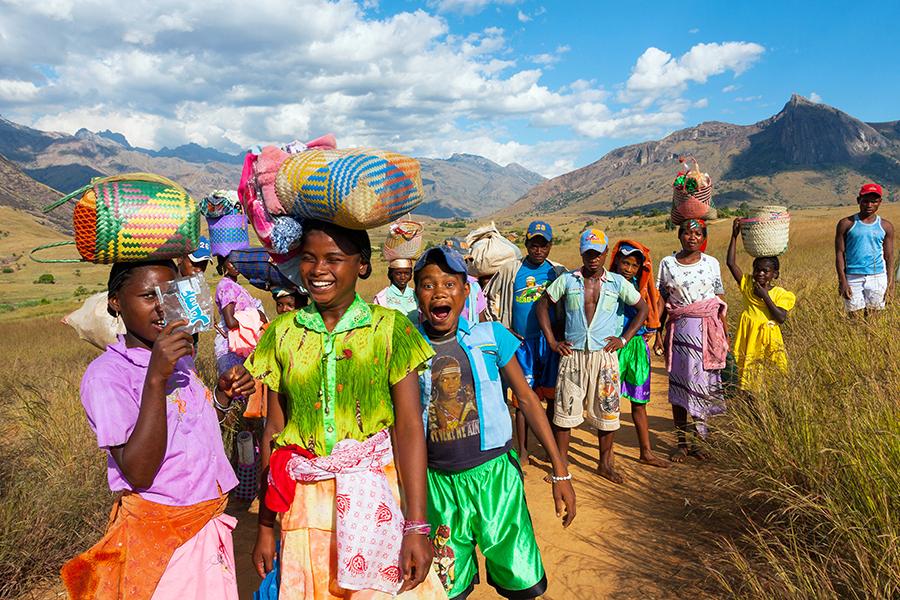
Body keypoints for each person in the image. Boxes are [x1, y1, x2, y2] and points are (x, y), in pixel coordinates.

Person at [246, 220, 446, 599]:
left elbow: (407, 428)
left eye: (333, 259)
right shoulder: (282, 333)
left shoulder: (389, 328)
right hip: (305, 509)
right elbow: (274, 430)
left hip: (376, 499)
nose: (318, 270)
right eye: (308, 258)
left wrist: (417, 526)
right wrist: (265, 527)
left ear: (362, 265)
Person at [61, 259, 256, 599]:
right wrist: (155, 377)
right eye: (148, 296)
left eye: (170, 294)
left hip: (204, 525)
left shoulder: (181, 361)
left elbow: (192, 434)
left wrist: (223, 396)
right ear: (116, 301)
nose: (162, 307)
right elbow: (138, 471)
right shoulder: (108, 376)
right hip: (165, 539)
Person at [413, 245, 575, 599]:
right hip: (438, 485)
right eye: (428, 285)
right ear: (416, 294)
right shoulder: (408, 346)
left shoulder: (491, 337)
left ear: (466, 291)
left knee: (520, 580)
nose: (439, 292)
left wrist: (560, 472)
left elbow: (529, 401)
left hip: (495, 479)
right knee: (448, 585)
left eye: (449, 284)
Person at [536, 229, 648, 484]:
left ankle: (605, 464)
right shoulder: (568, 280)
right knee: (565, 413)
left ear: (606, 254)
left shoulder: (617, 283)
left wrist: (625, 338)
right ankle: (561, 466)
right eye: (588, 253)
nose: (593, 258)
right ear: (581, 252)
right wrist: (552, 341)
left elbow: (642, 307)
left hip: (604, 355)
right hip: (573, 355)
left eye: (597, 253)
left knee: (606, 412)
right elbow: (543, 304)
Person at [483, 221, 567, 463]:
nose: (538, 249)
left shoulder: (558, 271)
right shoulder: (512, 269)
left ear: (550, 246)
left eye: (543, 245)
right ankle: (523, 450)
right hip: (521, 343)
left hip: (548, 341)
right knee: (522, 397)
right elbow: (490, 296)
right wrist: (503, 327)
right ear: (526, 244)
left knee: (551, 395)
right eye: (533, 244)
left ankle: (550, 446)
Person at [654, 219, 728, 462]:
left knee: (701, 387)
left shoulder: (711, 263)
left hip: (707, 331)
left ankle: (700, 441)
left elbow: (718, 301)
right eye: (687, 233)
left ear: (703, 237)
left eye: (697, 233)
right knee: (679, 387)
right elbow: (662, 299)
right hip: (679, 331)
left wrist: (724, 335)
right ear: (679, 236)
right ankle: (682, 443)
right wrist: (657, 331)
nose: (692, 237)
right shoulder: (667, 263)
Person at [609, 240, 669, 468]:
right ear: (617, 262)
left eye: (634, 265)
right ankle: (608, 455)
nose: (629, 269)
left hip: (635, 346)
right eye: (625, 263)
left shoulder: (640, 284)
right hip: (613, 346)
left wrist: (653, 328)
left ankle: (646, 451)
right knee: (609, 401)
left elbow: (656, 302)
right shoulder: (607, 283)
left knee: (639, 401)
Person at [726, 219, 796, 395]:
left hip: (770, 340)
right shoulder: (748, 284)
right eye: (757, 270)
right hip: (749, 338)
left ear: (775, 274)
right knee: (749, 382)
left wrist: (765, 295)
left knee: (772, 380)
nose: (760, 274)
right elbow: (731, 264)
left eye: (766, 271)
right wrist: (734, 236)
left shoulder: (782, 294)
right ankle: (753, 415)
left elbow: (780, 318)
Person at [835, 183, 895, 316]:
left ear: (880, 202)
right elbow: (839, 254)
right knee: (854, 318)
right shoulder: (846, 223)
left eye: (874, 201)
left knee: (874, 319)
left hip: (877, 276)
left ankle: (869, 338)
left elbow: (889, 257)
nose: (869, 205)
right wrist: (842, 281)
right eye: (865, 201)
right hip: (853, 277)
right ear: (858, 200)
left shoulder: (886, 226)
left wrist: (890, 284)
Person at [214, 254, 267, 375]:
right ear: (223, 264)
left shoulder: (234, 285)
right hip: (231, 349)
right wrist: (256, 315)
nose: (235, 266)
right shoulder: (227, 286)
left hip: (240, 346)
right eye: (231, 263)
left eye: (237, 262)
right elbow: (231, 322)